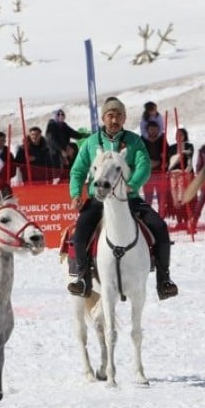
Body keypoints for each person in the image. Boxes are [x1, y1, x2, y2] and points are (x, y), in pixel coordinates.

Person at [66, 96, 178, 300]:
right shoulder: (91, 143)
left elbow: (144, 165)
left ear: (124, 118)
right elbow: (78, 171)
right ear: (103, 118)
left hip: (129, 199)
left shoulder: (134, 142)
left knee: (160, 227)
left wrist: (132, 185)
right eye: (110, 115)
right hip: (98, 200)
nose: (114, 120)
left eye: (118, 116)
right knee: (80, 232)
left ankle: (164, 279)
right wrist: (75, 194)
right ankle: (83, 279)